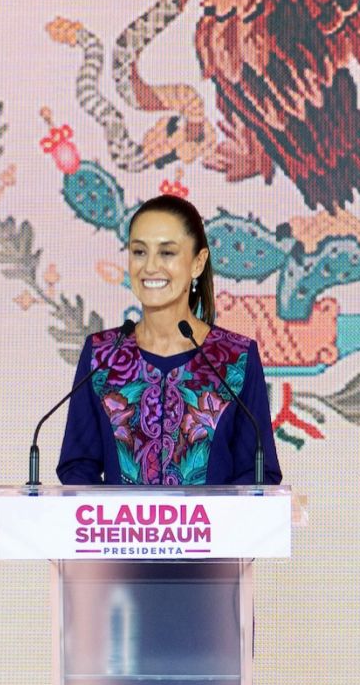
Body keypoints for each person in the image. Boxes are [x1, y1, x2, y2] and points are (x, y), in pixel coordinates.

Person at [57, 194, 284, 485]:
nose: (150, 267)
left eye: (167, 253)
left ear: (198, 263)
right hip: (121, 530)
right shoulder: (103, 355)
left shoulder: (234, 358)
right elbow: (78, 466)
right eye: (139, 252)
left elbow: (258, 473)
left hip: (214, 530)